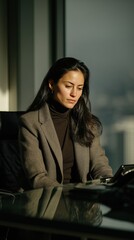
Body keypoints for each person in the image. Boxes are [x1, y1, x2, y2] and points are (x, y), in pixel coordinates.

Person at [19, 57, 113, 190]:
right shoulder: (30, 123)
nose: (74, 93)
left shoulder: (87, 122)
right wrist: (70, 194)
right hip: (47, 203)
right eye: (68, 86)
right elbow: (37, 177)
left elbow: (99, 165)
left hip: (81, 203)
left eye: (79, 88)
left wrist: (110, 183)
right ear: (52, 84)